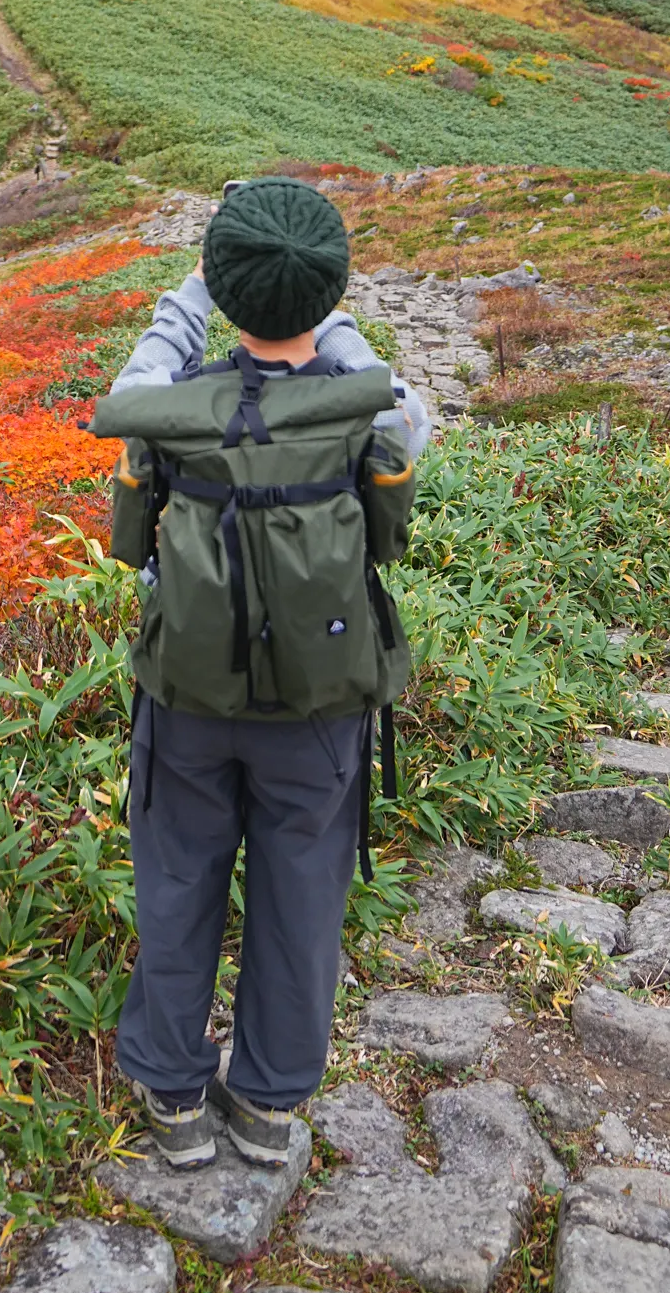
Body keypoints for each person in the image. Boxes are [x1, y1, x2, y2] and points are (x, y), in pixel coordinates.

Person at [91, 176, 431, 1172]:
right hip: (321, 710)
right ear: (327, 294)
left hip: (188, 696)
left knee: (178, 880)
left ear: (224, 286)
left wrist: (193, 293)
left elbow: (141, 379)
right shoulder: (370, 408)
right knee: (302, 894)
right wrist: (327, 310)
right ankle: (270, 1107)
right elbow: (410, 421)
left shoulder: (167, 408)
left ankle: (173, 1100)